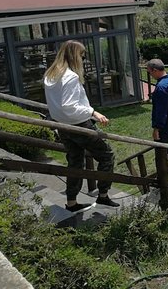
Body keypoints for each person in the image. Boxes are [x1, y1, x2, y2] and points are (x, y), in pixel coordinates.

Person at [43, 40, 120, 213]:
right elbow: (69, 105)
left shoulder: (50, 75)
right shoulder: (70, 77)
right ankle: (103, 195)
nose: (83, 58)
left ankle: (71, 202)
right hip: (78, 124)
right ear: (73, 55)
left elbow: (58, 105)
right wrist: (93, 112)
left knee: (75, 162)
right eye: (81, 55)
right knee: (107, 156)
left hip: (62, 126)